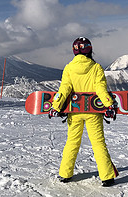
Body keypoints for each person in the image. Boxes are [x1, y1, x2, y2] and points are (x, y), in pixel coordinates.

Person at [49, 37, 119, 187]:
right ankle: (107, 177)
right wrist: (109, 105)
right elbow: (100, 89)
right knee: (98, 143)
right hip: (93, 112)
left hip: (74, 113)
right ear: (90, 50)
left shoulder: (69, 68)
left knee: (72, 142)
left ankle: (65, 174)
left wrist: (56, 106)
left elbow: (64, 89)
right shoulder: (96, 68)